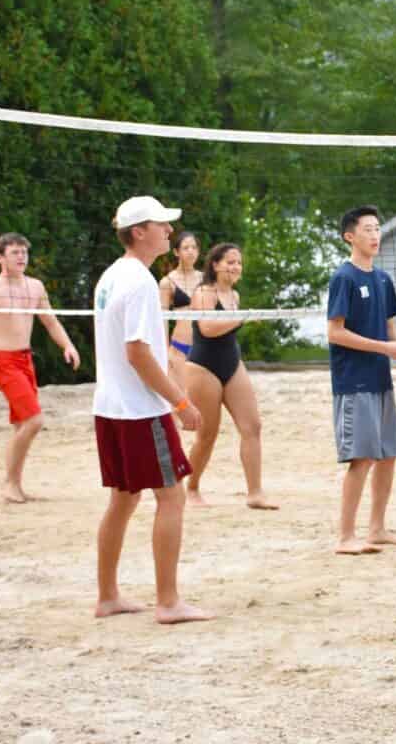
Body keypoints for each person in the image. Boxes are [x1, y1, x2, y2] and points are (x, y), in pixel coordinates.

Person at [92, 195, 211, 624]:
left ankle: (108, 596)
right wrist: (180, 402)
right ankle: (168, 602)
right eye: (161, 224)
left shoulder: (111, 275)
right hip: (138, 409)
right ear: (139, 231)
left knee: (123, 499)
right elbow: (138, 353)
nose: (169, 231)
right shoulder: (140, 281)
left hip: (109, 405)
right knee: (171, 496)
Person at [0, 233, 80, 503]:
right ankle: (8, 483)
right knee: (34, 421)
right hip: (2, 362)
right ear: (0, 257)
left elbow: (50, 322)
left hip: (25, 360)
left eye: (24, 252)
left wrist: (68, 345)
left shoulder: (36, 287)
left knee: (21, 425)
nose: (21, 257)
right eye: (15, 252)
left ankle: (15, 484)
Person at [326, 205, 396, 555]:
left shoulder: (381, 278)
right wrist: (384, 348)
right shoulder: (344, 278)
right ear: (350, 236)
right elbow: (335, 333)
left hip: (380, 379)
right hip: (354, 381)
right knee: (361, 458)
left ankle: (377, 528)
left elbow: (390, 325)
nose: (375, 235)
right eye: (367, 229)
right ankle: (345, 536)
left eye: (377, 229)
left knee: (387, 454)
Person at [182, 242, 277, 510]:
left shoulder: (234, 296)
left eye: (238, 262)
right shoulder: (204, 292)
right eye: (230, 262)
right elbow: (208, 327)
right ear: (215, 264)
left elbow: (227, 328)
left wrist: (241, 315)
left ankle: (255, 493)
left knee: (252, 426)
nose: (236, 267)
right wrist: (243, 318)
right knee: (207, 434)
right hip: (203, 367)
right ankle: (191, 488)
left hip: (231, 363)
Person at [158, 232, 202, 386]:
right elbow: (162, 320)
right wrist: (163, 352)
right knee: (181, 398)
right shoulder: (167, 282)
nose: (191, 251)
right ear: (176, 252)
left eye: (194, 247)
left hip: (204, 345)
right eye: (186, 248)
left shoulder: (206, 280)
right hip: (179, 347)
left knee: (201, 397)